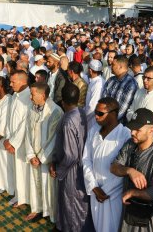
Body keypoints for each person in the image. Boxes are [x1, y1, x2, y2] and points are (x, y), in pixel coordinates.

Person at [110, 108, 153, 232]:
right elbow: (114, 167)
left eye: (138, 130)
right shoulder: (130, 144)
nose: (132, 133)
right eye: (132, 128)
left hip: (149, 221)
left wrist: (132, 193)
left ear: (151, 130)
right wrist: (129, 171)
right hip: (129, 217)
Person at [50, 83, 94, 232]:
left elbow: (71, 154)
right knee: (76, 202)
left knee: (72, 203)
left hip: (71, 169)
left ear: (63, 101)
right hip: (80, 165)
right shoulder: (81, 112)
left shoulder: (68, 121)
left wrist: (59, 170)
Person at [82, 97, 131, 232]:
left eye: (100, 113)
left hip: (114, 194)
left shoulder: (125, 134)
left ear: (114, 114)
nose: (96, 117)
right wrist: (94, 187)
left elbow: (126, 167)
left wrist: (106, 191)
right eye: (96, 112)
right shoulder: (93, 131)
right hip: (96, 191)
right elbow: (86, 159)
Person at [25, 82, 64, 223]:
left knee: (49, 187)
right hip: (34, 156)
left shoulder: (55, 111)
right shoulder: (32, 108)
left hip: (47, 158)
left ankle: (52, 214)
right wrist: (30, 154)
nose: (30, 97)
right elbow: (28, 131)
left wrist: (41, 157)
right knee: (35, 185)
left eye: (32, 94)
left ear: (43, 95)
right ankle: (37, 209)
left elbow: (55, 138)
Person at [5, 71, 32, 207]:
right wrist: (9, 139)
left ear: (22, 82)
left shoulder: (28, 96)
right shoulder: (16, 95)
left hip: (22, 142)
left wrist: (14, 142)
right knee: (17, 170)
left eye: (13, 82)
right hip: (13, 140)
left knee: (23, 171)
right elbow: (11, 118)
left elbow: (25, 123)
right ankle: (19, 195)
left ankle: (24, 198)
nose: (10, 84)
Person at [126, 67, 153, 142]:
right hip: (134, 135)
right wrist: (135, 122)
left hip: (151, 139)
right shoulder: (139, 92)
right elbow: (130, 111)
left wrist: (142, 127)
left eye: (148, 78)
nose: (145, 80)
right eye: (144, 77)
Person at [102, 55, 138, 123]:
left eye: (113, 64)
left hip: (118, 124)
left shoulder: (131, 84)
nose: (111, 66)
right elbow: (103, 100)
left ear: (120, 67)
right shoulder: (110, 80)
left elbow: (122, 110)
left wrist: (108, 120)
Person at [85, 59, 105, 128]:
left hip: (92, 120)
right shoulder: (95, 81)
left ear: (90, 71)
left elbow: (92, 106)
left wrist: (84, 118)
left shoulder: (98, 84)